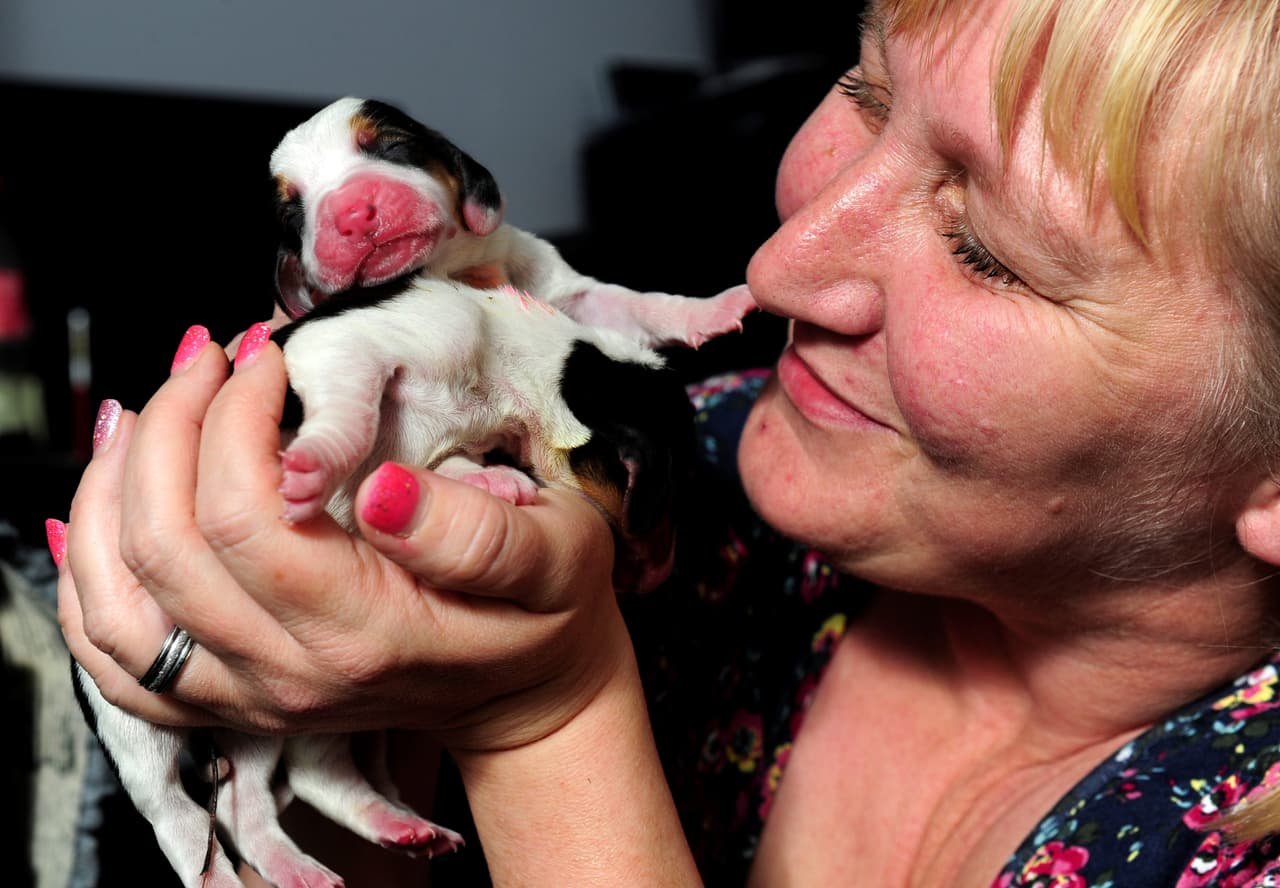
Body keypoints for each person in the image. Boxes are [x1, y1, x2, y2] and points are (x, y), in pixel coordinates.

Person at [52, 0, 1280, 884]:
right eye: (863, 92)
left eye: (985, 250)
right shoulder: (682, 460)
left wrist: (541, 715)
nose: (778, 263)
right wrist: (315, 648)